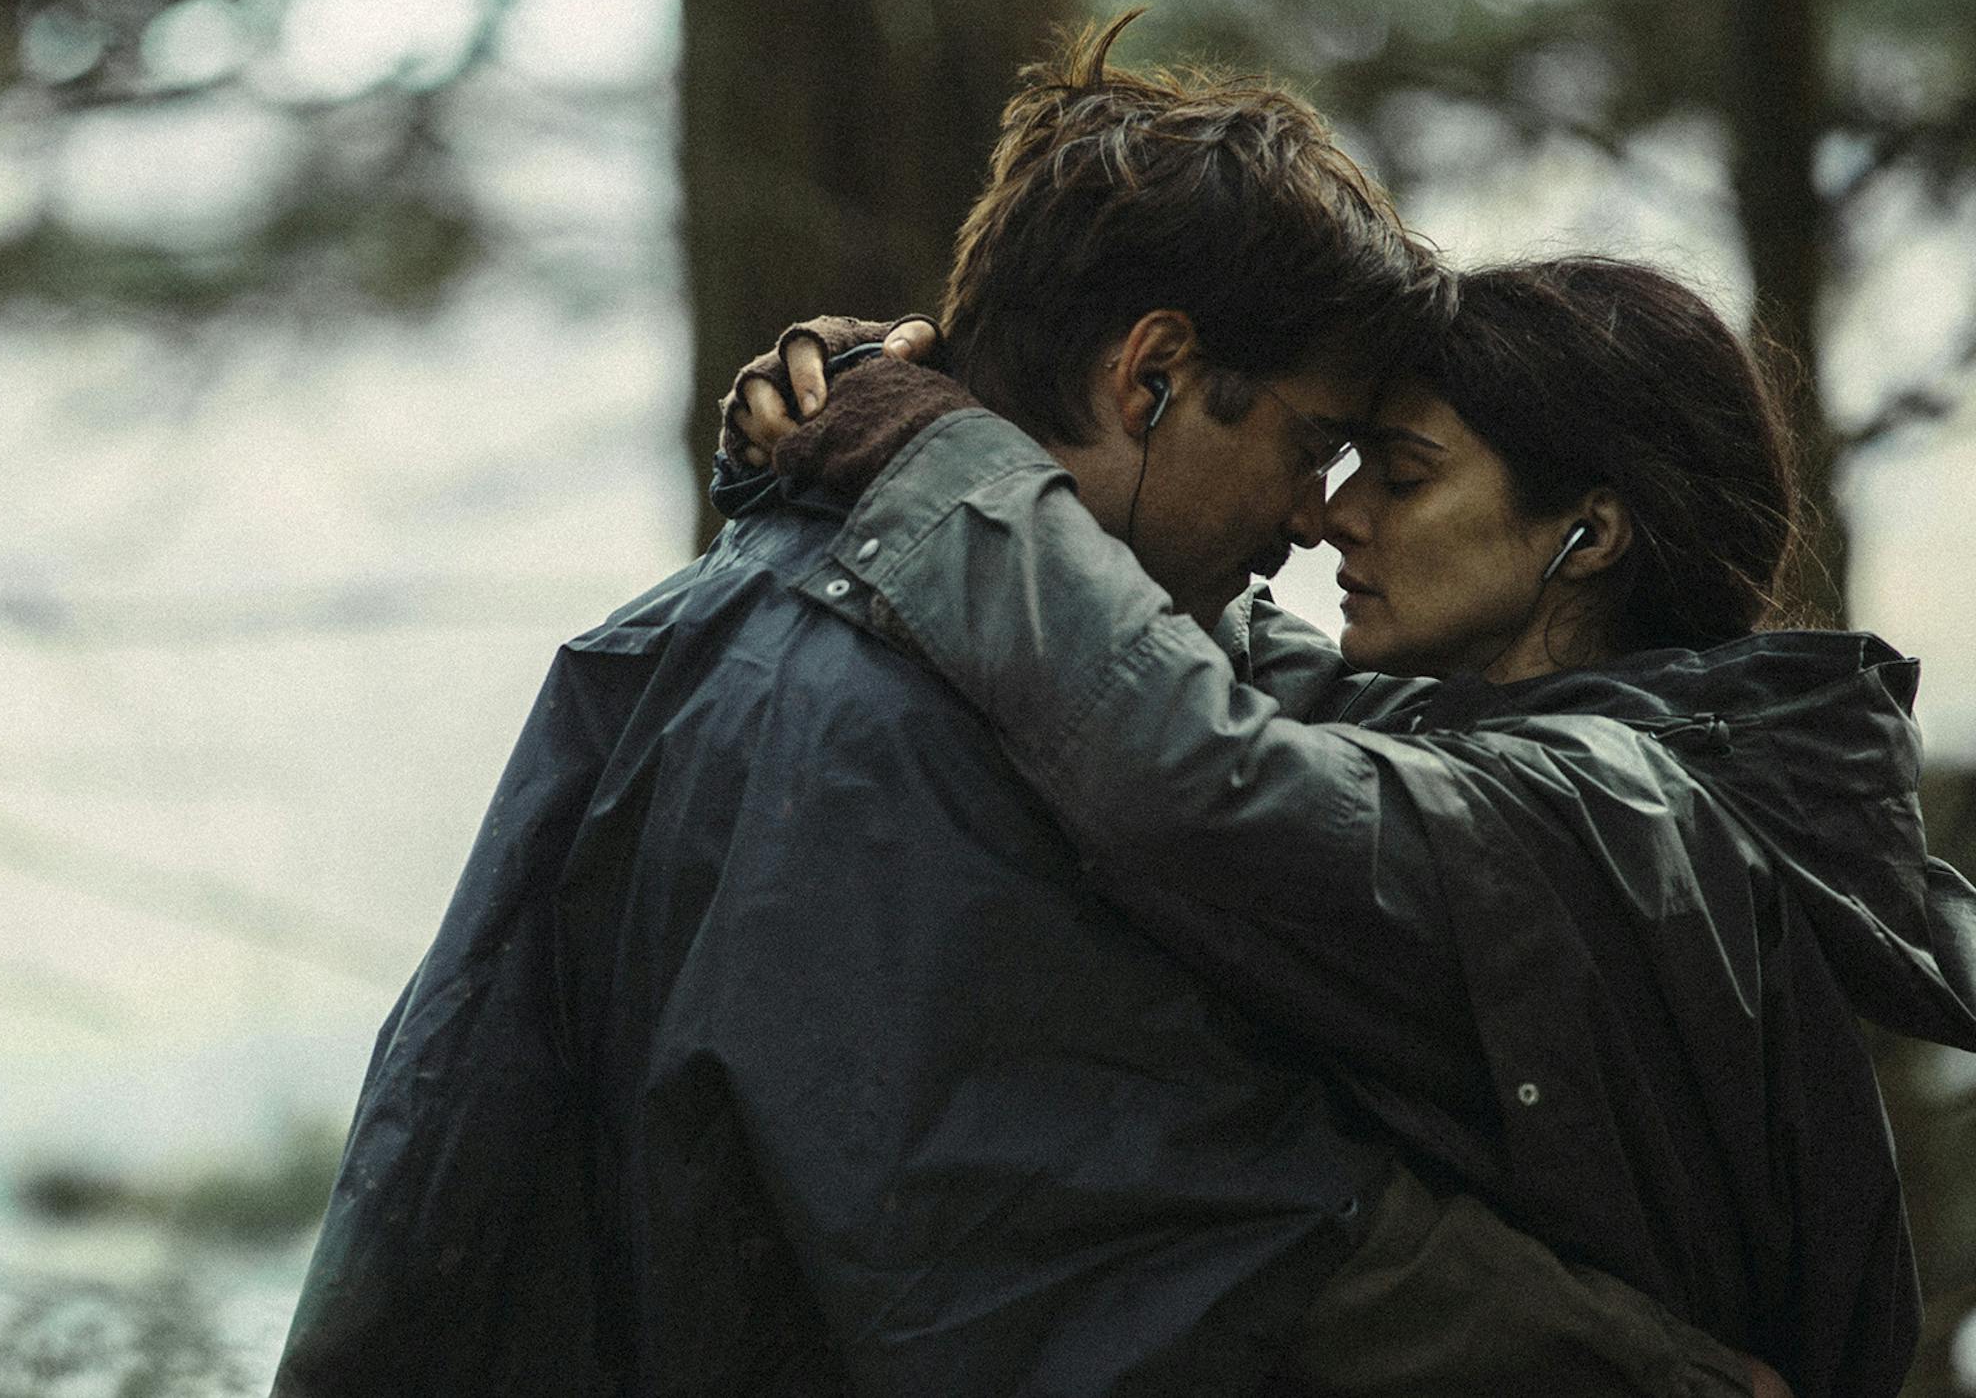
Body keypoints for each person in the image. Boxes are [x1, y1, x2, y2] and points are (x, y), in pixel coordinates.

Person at [273, 19, 1777, 1398]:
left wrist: (912, 453)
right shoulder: (897, 725)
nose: (1317, 519)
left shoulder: (739, 625)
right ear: (1156, 373)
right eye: (1316, 446)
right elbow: (1169, 1246)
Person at [726, 255, 1976, 1396]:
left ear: (1588, 536)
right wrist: (914, 408)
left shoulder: (1611, 808)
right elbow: (1193, 652)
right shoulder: (1501, 743)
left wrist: (939, 464)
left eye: (1403, 472)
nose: (1335, 516)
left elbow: (1192, 770)